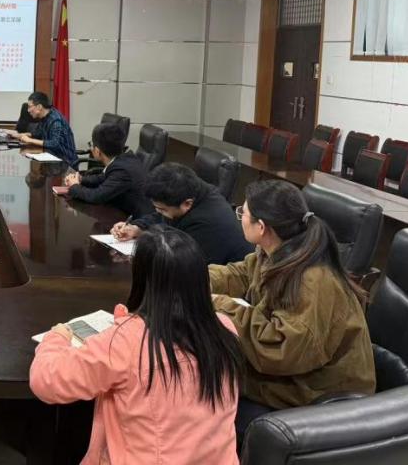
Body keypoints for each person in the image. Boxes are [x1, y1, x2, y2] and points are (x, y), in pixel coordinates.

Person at [30, 226, 242, 465]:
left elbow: (47, 381)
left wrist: (56, 338)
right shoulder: (225, 329)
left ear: (141, 278)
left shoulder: (127, 341)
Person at [210, 180, 375, 441]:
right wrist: (190, 274)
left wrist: (220, 305)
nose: (239, 217)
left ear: (261, 227)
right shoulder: (276, 250)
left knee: (210, 396)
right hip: (297, 372)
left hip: (319, 391)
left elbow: (281, 348)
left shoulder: (312, 280)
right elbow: (241, 274)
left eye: (243, 213)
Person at [111, 163, 254, 265]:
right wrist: (137, 228)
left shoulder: (207, 223)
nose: (158, 211)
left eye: (162, 209)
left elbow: (183, 265)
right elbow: (162, 216)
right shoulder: (192, 191)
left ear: (187, 204)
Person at [63, 122, 153, 217]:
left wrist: (75, 186)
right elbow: (103, 177)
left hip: (137, 221)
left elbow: (96, 196)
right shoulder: (126, 158)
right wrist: (81, 179)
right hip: (122, 212)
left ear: (97, 151)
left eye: (91, 145)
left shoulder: (121, 171)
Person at [10, 91, 78, 167]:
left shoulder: (55, 120)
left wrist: (29, 140)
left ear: (39, 107)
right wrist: (22, 135)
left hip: (65, 163)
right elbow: (38, 133)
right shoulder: (44, 117)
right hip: (52, 160)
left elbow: (54, 144)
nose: (28, 110)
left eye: (30, 107)